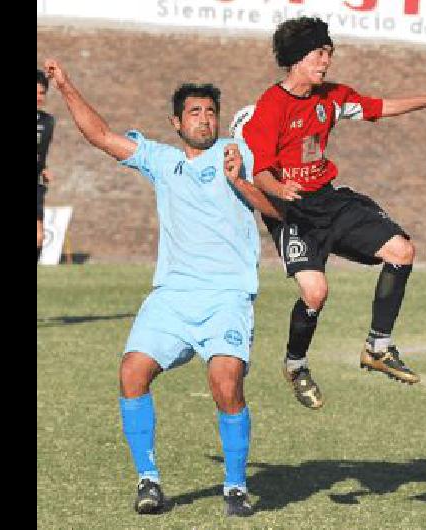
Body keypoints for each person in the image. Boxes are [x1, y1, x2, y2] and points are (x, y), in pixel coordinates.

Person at [43, 58, 296, 517]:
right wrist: (65, 85)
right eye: (195, 112)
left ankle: (236, 487)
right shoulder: (162, 160)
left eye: (210, 112)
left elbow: (280, 212)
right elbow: (100, 136)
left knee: (225, 383)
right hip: (172, 298)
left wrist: (240, 180)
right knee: (131, 372)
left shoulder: (240, 153)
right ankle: (149, 481)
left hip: (226, 297)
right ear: (176, 122)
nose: (205, 119)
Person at [231, 16, 426, 410]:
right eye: (319, 53)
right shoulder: (270, 106)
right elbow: (262, 173)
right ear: (296, 58)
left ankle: (378, 346)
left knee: (401, 251)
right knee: (316, 293)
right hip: (292, 212)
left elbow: (380, 107)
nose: (326, 61)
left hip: (329, 200)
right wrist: (281, 190)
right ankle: (296, 365)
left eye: (328, 53)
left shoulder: (333, 96)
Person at [37, 68, 55, 263]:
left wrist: (43, 168)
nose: (38, 97)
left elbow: (41, 154)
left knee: (39, 237)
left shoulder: (48, 122)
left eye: (42, 92)